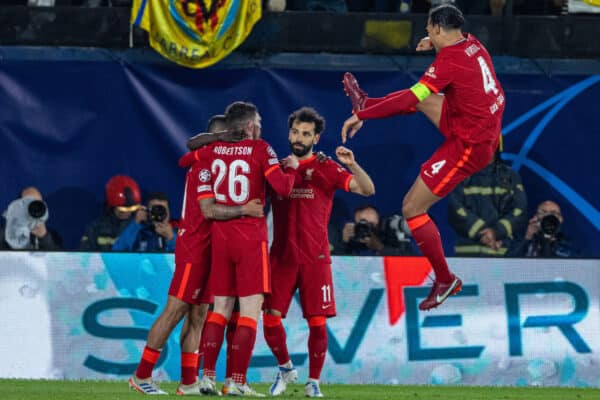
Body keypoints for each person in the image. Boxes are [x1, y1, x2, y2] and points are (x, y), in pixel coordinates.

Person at [341, 3, 505, 310]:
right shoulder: (473, 43)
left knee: (412, 208)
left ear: (439, 28)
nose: (426, 32)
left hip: (469, 146)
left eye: (429, 28)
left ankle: (445, 279)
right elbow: (450, 53)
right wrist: (435, 44)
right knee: (425, 100)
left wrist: (364, 114)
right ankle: (366, 101)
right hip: (479, 126)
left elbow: (409, 96)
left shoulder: (449, 62)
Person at [128, 116, 264, 396]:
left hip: (211, 248)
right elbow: (208, 211)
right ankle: (141, 375)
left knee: (199, 316)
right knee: (175, 309)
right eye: (230, 139)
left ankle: (188, 382)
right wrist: (244, 211)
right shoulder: (203, 165)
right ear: (218, 139)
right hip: (194, 247)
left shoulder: (214, 163)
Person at [264, 107, 375, 398]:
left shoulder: (326, 168)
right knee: (270, 319)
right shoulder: (275, 167)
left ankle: (313, 382)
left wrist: (352, 164)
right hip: (281, 257)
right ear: (289, 133)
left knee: (317, 323)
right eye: (295, 132)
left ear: (316, 137)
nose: (299, 138)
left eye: (306, 134)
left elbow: (367, 189)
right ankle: (286, 368)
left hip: (316, 259)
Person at [197, 101, 297, 397]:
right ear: (251, 126)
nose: (262, 127)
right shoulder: (261, 149)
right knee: (249, 312)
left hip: (221, 238)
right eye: (260, 122)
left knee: (220, 309)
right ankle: (236, 380)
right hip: (250, 239)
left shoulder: (212, 151)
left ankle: (207, 377)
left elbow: (190, 155)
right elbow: (283, 188)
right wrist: (289, 168)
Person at [447, 148, 527, 256]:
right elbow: (455, 208)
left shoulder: (511, 177)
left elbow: (519, 210)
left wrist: (497, 232)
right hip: (467, 255)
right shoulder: (459, 175)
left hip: (501, 252)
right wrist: (482, 232)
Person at [80, 175, 141, 251]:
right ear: (111, 206)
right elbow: (85, 256)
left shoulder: (141, 227)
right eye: (122, 210)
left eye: (131, 209)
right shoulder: (95, 228)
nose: (127, 212)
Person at [0, 186, 62, 250]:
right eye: (28, 202)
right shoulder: (4, 233)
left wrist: (44, 236)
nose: (34, 207)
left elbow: (59, 258)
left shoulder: (53, 236)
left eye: (38, 203)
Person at [112, 192, 177, 252]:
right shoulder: (138, 233)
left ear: (169, 213)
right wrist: (136, 223)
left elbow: (185, 258)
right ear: (147, 212)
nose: (158, 214)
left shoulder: (179, 233)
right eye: (154, 210)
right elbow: (117, 251)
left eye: (162, 210)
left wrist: (171, 239)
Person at [509, 200, 576, 257]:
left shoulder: (569, 244)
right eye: (543, 212)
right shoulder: (519, 239)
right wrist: (527, 237)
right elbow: (508, 264)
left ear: (560, 219)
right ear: (535, 217)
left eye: (553, 213)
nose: (548, 216)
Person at [342, 204, 413, 256]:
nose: (368, 230)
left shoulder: (391, 232)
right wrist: (345, 243)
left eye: (372, 225)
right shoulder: (357, 239)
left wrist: (380, 248)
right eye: (362, 226)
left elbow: (410, 259)